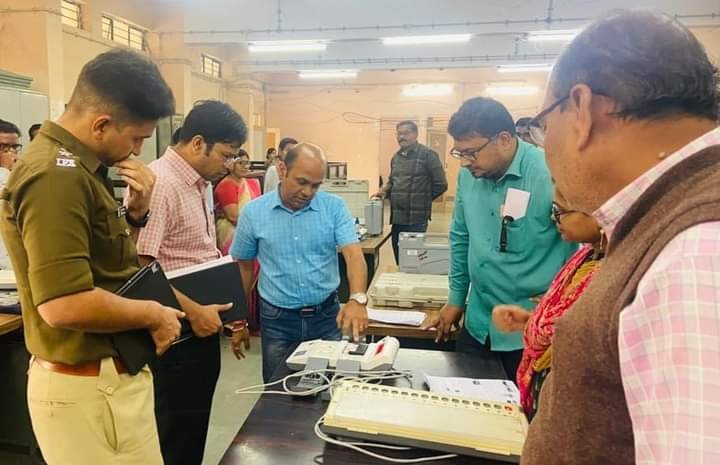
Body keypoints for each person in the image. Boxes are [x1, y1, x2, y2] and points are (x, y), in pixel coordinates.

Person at [521, 10, 720, 465]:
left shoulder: (697, 251)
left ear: (582, 109)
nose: (544, 146)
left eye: (543, 126)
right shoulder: (669, 218)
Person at [0, 49, 181, 465]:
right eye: (136, 138)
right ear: (100, 124)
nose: (137, 150)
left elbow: (105, 268)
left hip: (107, 382)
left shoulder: (81, 170)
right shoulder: (55, 177)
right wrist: (154, 314)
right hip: (89, 387)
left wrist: (136, 214)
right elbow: (63, 304)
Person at [421, 97, 575, 380]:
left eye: (471, 153)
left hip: (529, 328)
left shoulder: (549, 174)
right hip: (479, 323)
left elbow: (581, 246)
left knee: (523, 407)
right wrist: (456, 299)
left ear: (504, 139)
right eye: (460, 154)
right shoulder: (469, 177)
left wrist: (558, 305)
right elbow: (461, 238)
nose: (465, 163)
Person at [133, 100, 251, 465]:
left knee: (193, 427)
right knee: (175, 435)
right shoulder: (162, 183)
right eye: (226, 155)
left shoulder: (199, 182)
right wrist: (195, 311)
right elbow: (142, 264)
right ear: (198, 143)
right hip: (175, 332)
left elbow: (198, 252)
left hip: (201, 324)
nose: (229, 165)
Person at [231, 143, 369, 382]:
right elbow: (244, 268)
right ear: (282, 170)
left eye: (315, 185)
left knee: (327, 387)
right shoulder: (253, 213)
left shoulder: (333, 207)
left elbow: (354, 255)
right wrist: (238, 319)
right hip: (277, 321)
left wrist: (357, 298)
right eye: (302, 182)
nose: (307, 192)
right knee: (277, 389)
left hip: (326, 317)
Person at [492, 188, 605, 419]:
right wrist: (532, 322)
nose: (555, 219)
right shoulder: (586, 256)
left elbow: (585, 336)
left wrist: (546, 329)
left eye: (560, 211)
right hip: (545, 390)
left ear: (600, 215)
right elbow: (565, 320)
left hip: (575, 402)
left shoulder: (609, 276)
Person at [373, 121, 448, 263]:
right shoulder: (396, 157)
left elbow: (441, 184)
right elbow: (392, 181)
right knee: (399, 257)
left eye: (406, 133)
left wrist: (423, 200)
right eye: (399, 134)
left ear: (415, 134)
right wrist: (383, 191)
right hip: (397, 218)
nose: (402, 137)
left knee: (413, 259)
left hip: (417, 220)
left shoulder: (428, 155)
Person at [215, 149, 262, 255]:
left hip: (252, 229)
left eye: (247, 163)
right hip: (233, 232)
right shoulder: (227, 185)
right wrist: (255, 230)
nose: (245, 166)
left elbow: (259, 209)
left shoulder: (252, 183)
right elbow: (233, 217)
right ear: (231, 165)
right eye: (241, 163)